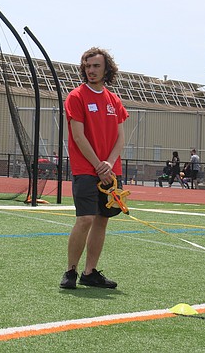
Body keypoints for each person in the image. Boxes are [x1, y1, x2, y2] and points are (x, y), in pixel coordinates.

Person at [60, 47, 128, 290]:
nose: (91, 70)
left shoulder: (114, 101)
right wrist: (99, 165)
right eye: (87, 66)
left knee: (102, 220)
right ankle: (71, 271)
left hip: (110, 170)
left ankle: (90, 273)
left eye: (96, 66)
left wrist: (109, 163)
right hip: (86, 169)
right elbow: (78, 136)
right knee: (85, 218)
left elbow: (120, 138)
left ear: (106, 68)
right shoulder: (76, 97)